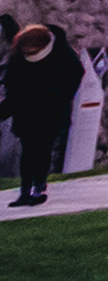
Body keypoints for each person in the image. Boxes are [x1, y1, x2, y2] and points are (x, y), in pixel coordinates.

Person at [5, 22, 84, 208]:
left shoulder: (61, 52)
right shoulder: (19, 57)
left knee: (42, 149)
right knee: (28, 151)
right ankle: (25, 191)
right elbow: (13, 87)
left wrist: (61, 95)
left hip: (51, 110)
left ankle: (38, 187)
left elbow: (76, 73)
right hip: (26, 111)